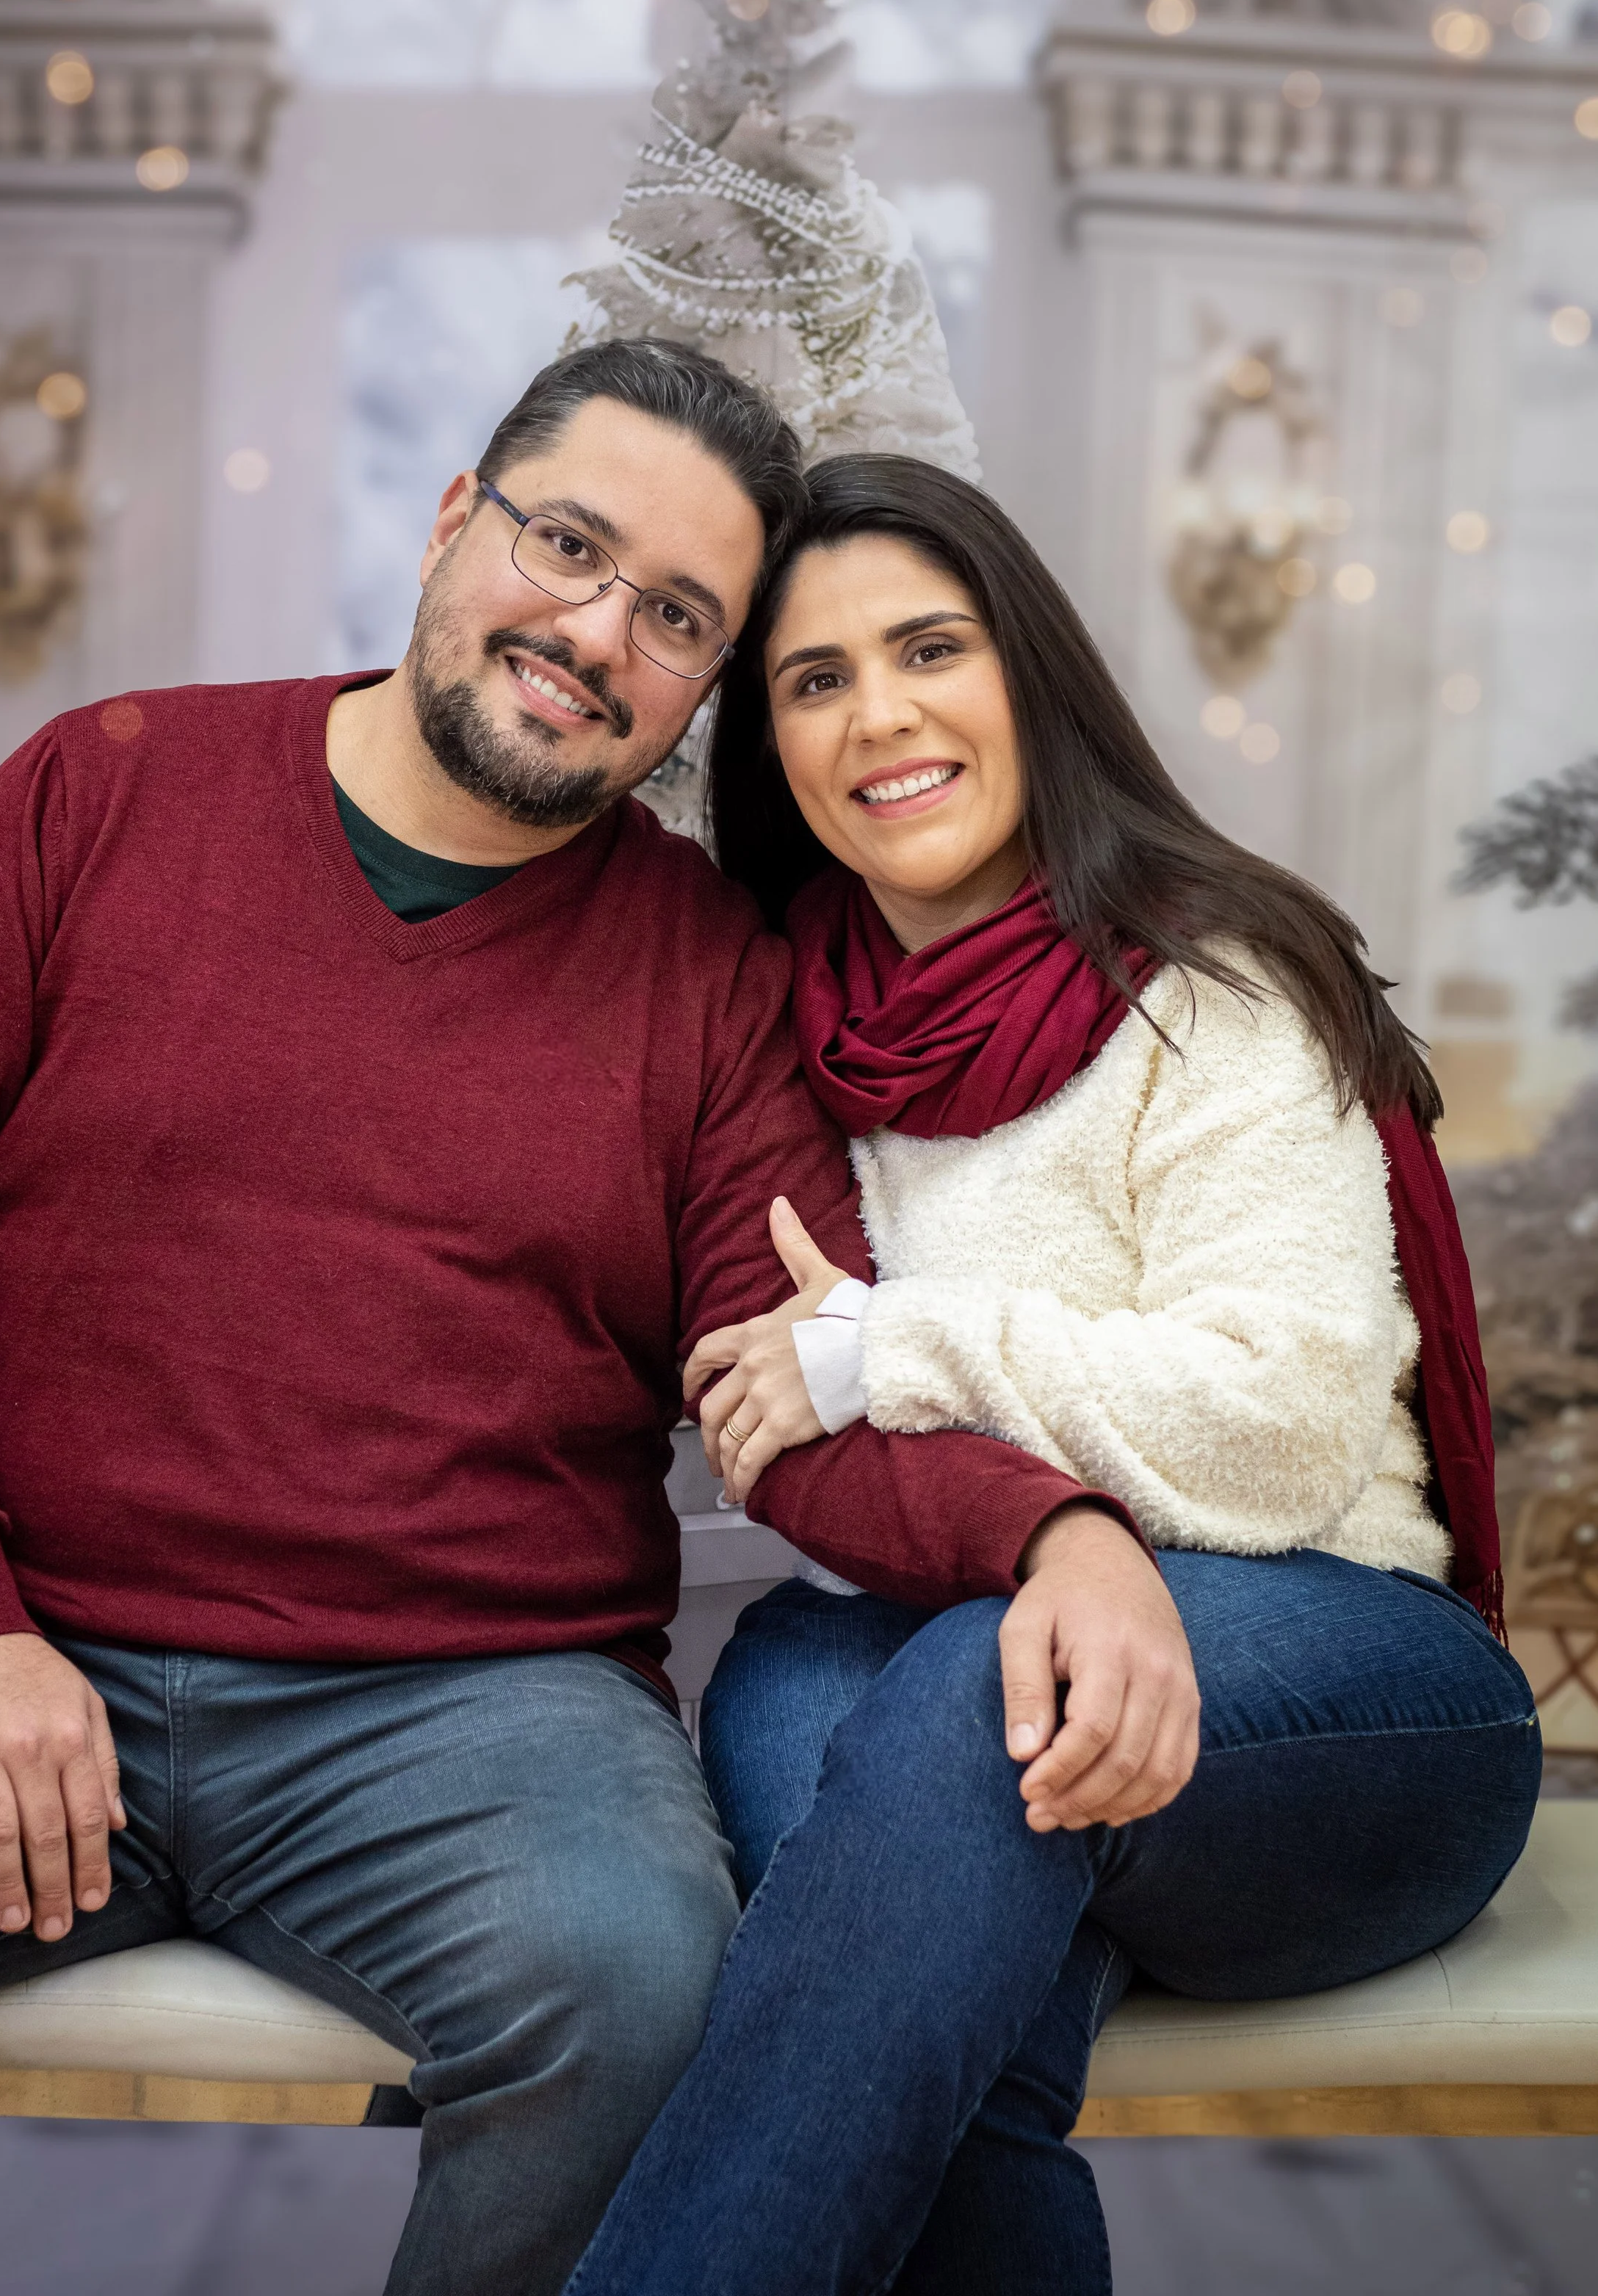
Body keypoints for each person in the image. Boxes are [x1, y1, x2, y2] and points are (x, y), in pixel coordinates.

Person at [0, 347, 1185, 2296]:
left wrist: (1050, 1530)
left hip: (466, 1705)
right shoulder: (100, 792)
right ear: (455, 525)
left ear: (702, 691)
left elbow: (807, 1380)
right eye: (568, 547)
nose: (596, 633)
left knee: (641, 1989)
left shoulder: (702, 970)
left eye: (674, 616)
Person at [563, 455, 1542, 2296]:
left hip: (1342, 1690)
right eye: (814, 678)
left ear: (1026, 673)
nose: (881, 716)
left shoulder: (1217, 985)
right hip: (949, 1648)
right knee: (877, 1869)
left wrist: (891, 1345)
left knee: (942, 1706)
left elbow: (1273, 1427)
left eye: (928, 647)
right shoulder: (780, 1024)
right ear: (767, 746)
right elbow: (763, 1412)